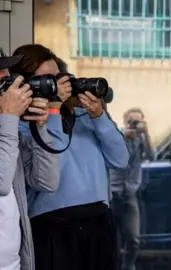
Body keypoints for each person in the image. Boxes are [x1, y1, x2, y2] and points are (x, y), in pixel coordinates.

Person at [11, 44, 129, 270]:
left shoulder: (84, 116)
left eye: (59, 78)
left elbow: (120, 159)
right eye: (49, 79)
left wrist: (99, 116)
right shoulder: (22, 127)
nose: (59, 86)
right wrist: (52, 111)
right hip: (53, 228)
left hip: (98, 223)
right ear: (28, 85)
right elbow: (50, 168)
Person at [0, 48, 60, 270]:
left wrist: (39, 128)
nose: (7, 76)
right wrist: (8, 118)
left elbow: (46, 182)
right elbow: (1, 183)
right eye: (0, 69)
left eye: (7, 68)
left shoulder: (7, 129)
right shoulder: (7, 127)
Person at [110, 108, 154, 270]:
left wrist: (147, 134)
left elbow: (151, 156)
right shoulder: (116, 136)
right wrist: (124, 137)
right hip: (112, 193)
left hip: (130, 194)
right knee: (112, 238)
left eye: (138, 122)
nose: (134, 125)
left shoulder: (142, 139)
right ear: (125, 122)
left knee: (134, 238)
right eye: (131, 122)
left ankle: (128, 267)